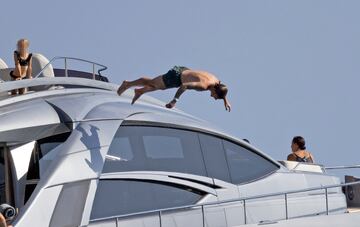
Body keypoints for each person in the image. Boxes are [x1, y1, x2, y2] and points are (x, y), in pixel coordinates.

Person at [117, 66, 231, 111]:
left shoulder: (216, 81)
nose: (214, 98)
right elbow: (184, 86)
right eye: (216, 97)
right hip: (176, 77)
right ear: (215, 91)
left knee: (154, 84)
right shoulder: (204, 86)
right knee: (154, 84)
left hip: (183, 70)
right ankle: (129, 85)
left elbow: (222, 88)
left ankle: (137, 90)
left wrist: (225, 100)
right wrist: (174, 100)